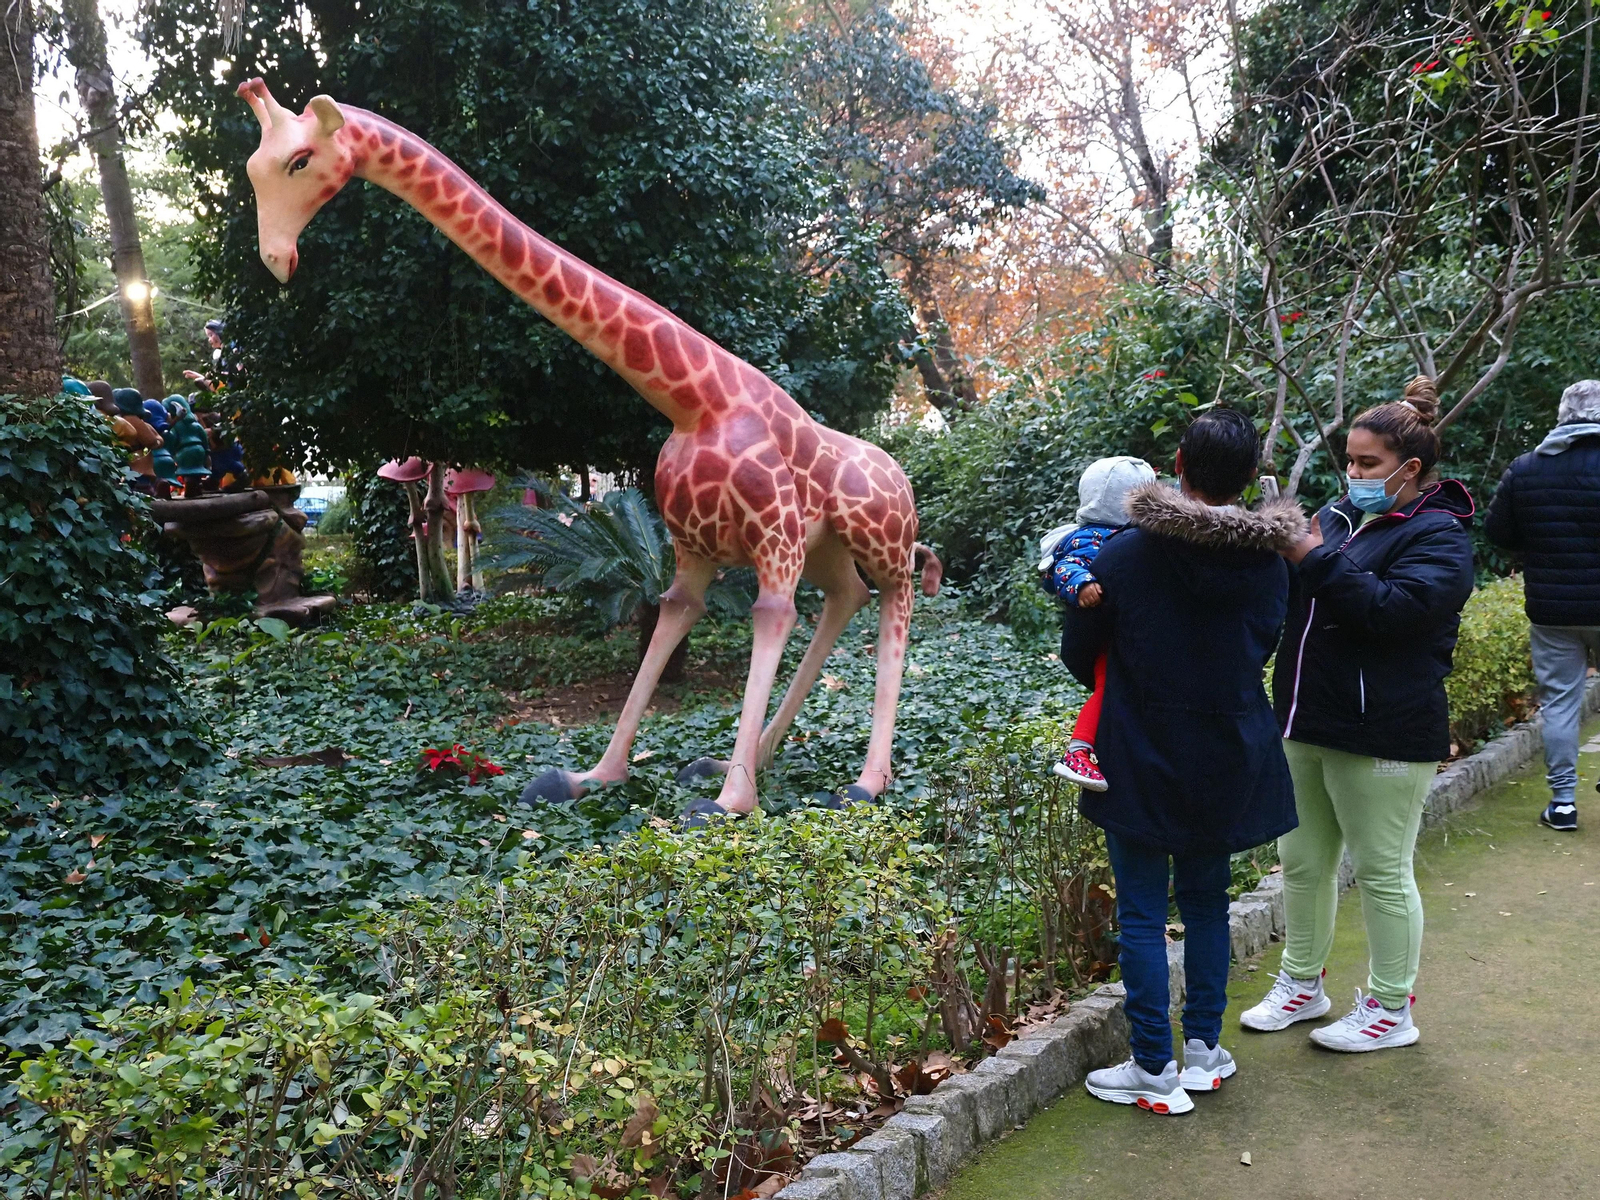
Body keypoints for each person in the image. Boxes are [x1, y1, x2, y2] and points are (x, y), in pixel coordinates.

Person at [1062, 409, 1306, 1115]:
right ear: (1253, 476)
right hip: (1228, 752)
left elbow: (1083, 650)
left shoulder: (1127, 556)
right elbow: (1263, 644)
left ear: (1178, 463)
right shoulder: (1269, 561)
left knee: (1141, 911)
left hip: (1137, 747)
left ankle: (1152, 1067)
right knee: (1206, 903)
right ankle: (1201, 1051)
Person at [1245, 376, 1474, 1053]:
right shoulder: (1339, 516)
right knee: (1304, 862)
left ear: (1410, 469)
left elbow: (1393, 613)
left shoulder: (1441, 537)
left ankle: (1389, 1007)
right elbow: (1298, 599)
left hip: (1386, 733)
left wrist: (1314, 559)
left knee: (1381, 870)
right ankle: (1301, 984)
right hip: (1306, 720)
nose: (1353, 474)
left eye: (1367, 464)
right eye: (1348, 461)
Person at [1484, 379, 1600, 831]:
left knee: (1560, 704)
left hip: (1553, 611)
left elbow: (1498, 532)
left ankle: (1565, 803)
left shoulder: (1526, 469)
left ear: (1562, 415)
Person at [1038, 456, 1158, 788]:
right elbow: (1063, 566)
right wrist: (1081, 584)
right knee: (1107, 691)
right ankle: (1078, 751)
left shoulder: (1122, 533)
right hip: (1108, 641)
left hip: (1120, 637)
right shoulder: (1091, 538)